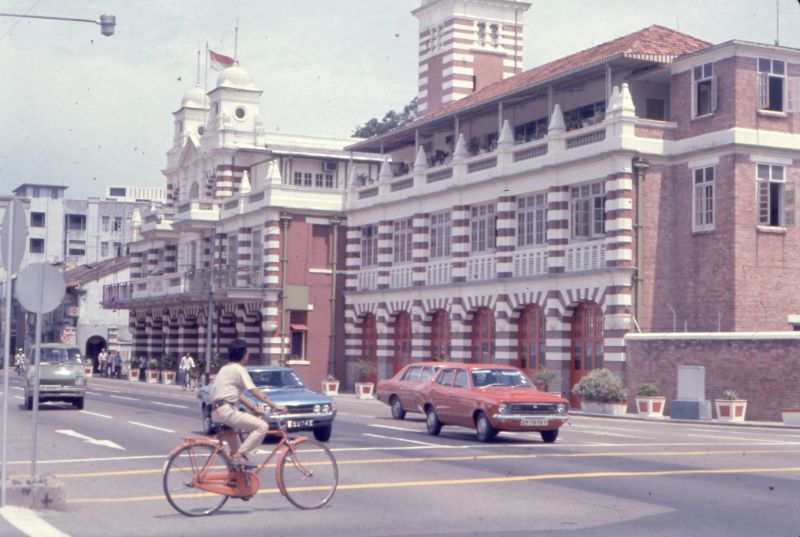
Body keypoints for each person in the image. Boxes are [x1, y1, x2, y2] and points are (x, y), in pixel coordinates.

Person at [209, 339, 286, 466]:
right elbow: (254, 391)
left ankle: (234, 477)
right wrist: (275, 405)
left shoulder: (225, 368)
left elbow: (238, 395)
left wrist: (253, 408)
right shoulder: (239, 369)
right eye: (247, 353)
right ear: (243, 354)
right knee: (262, 426)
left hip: (217, 411)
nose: (248, 355)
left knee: (235, 457)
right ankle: (242, 454)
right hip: (226, 411)